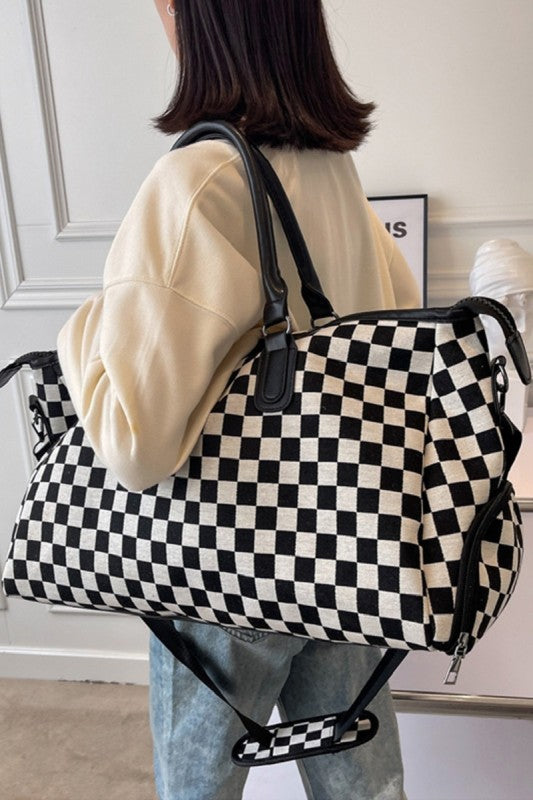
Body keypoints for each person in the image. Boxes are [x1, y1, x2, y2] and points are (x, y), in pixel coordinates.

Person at [56, 1, 420, 798]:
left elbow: (136, 447)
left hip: (227, 565)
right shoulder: (333, 171)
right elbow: (394, 323)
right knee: (361, 781)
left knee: (199, 788)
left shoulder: (196, 181)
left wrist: (84, 328)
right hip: (340, 542)